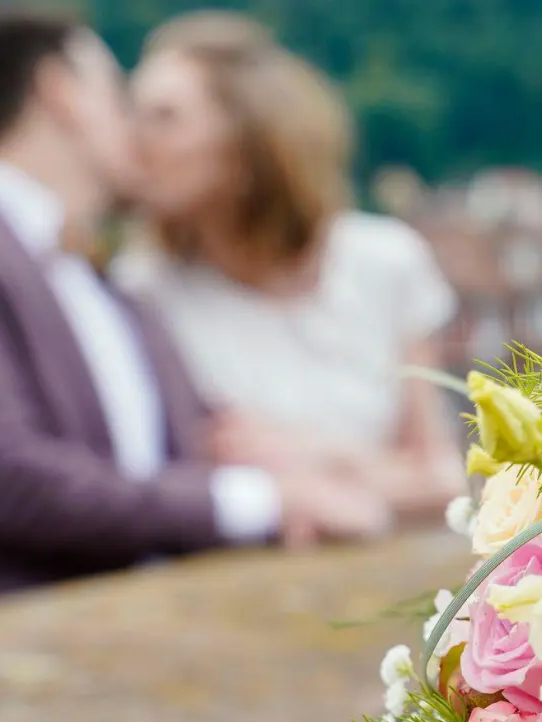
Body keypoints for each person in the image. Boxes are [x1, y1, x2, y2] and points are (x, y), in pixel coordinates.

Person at [0, 5, 387, 628]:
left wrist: (307, 467)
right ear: (61, 92)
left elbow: (195, 446)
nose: (132, 128)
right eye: (116, 94)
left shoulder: (109, 284)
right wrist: (258, 500)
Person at [117, 12, 464, 522]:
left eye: (164, 117)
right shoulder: (143, 289)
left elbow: (444, 482)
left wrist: (323, 457)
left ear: (247, 139)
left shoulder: (387, 262)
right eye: (133, 115)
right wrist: (371, 478)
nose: (134, 142)